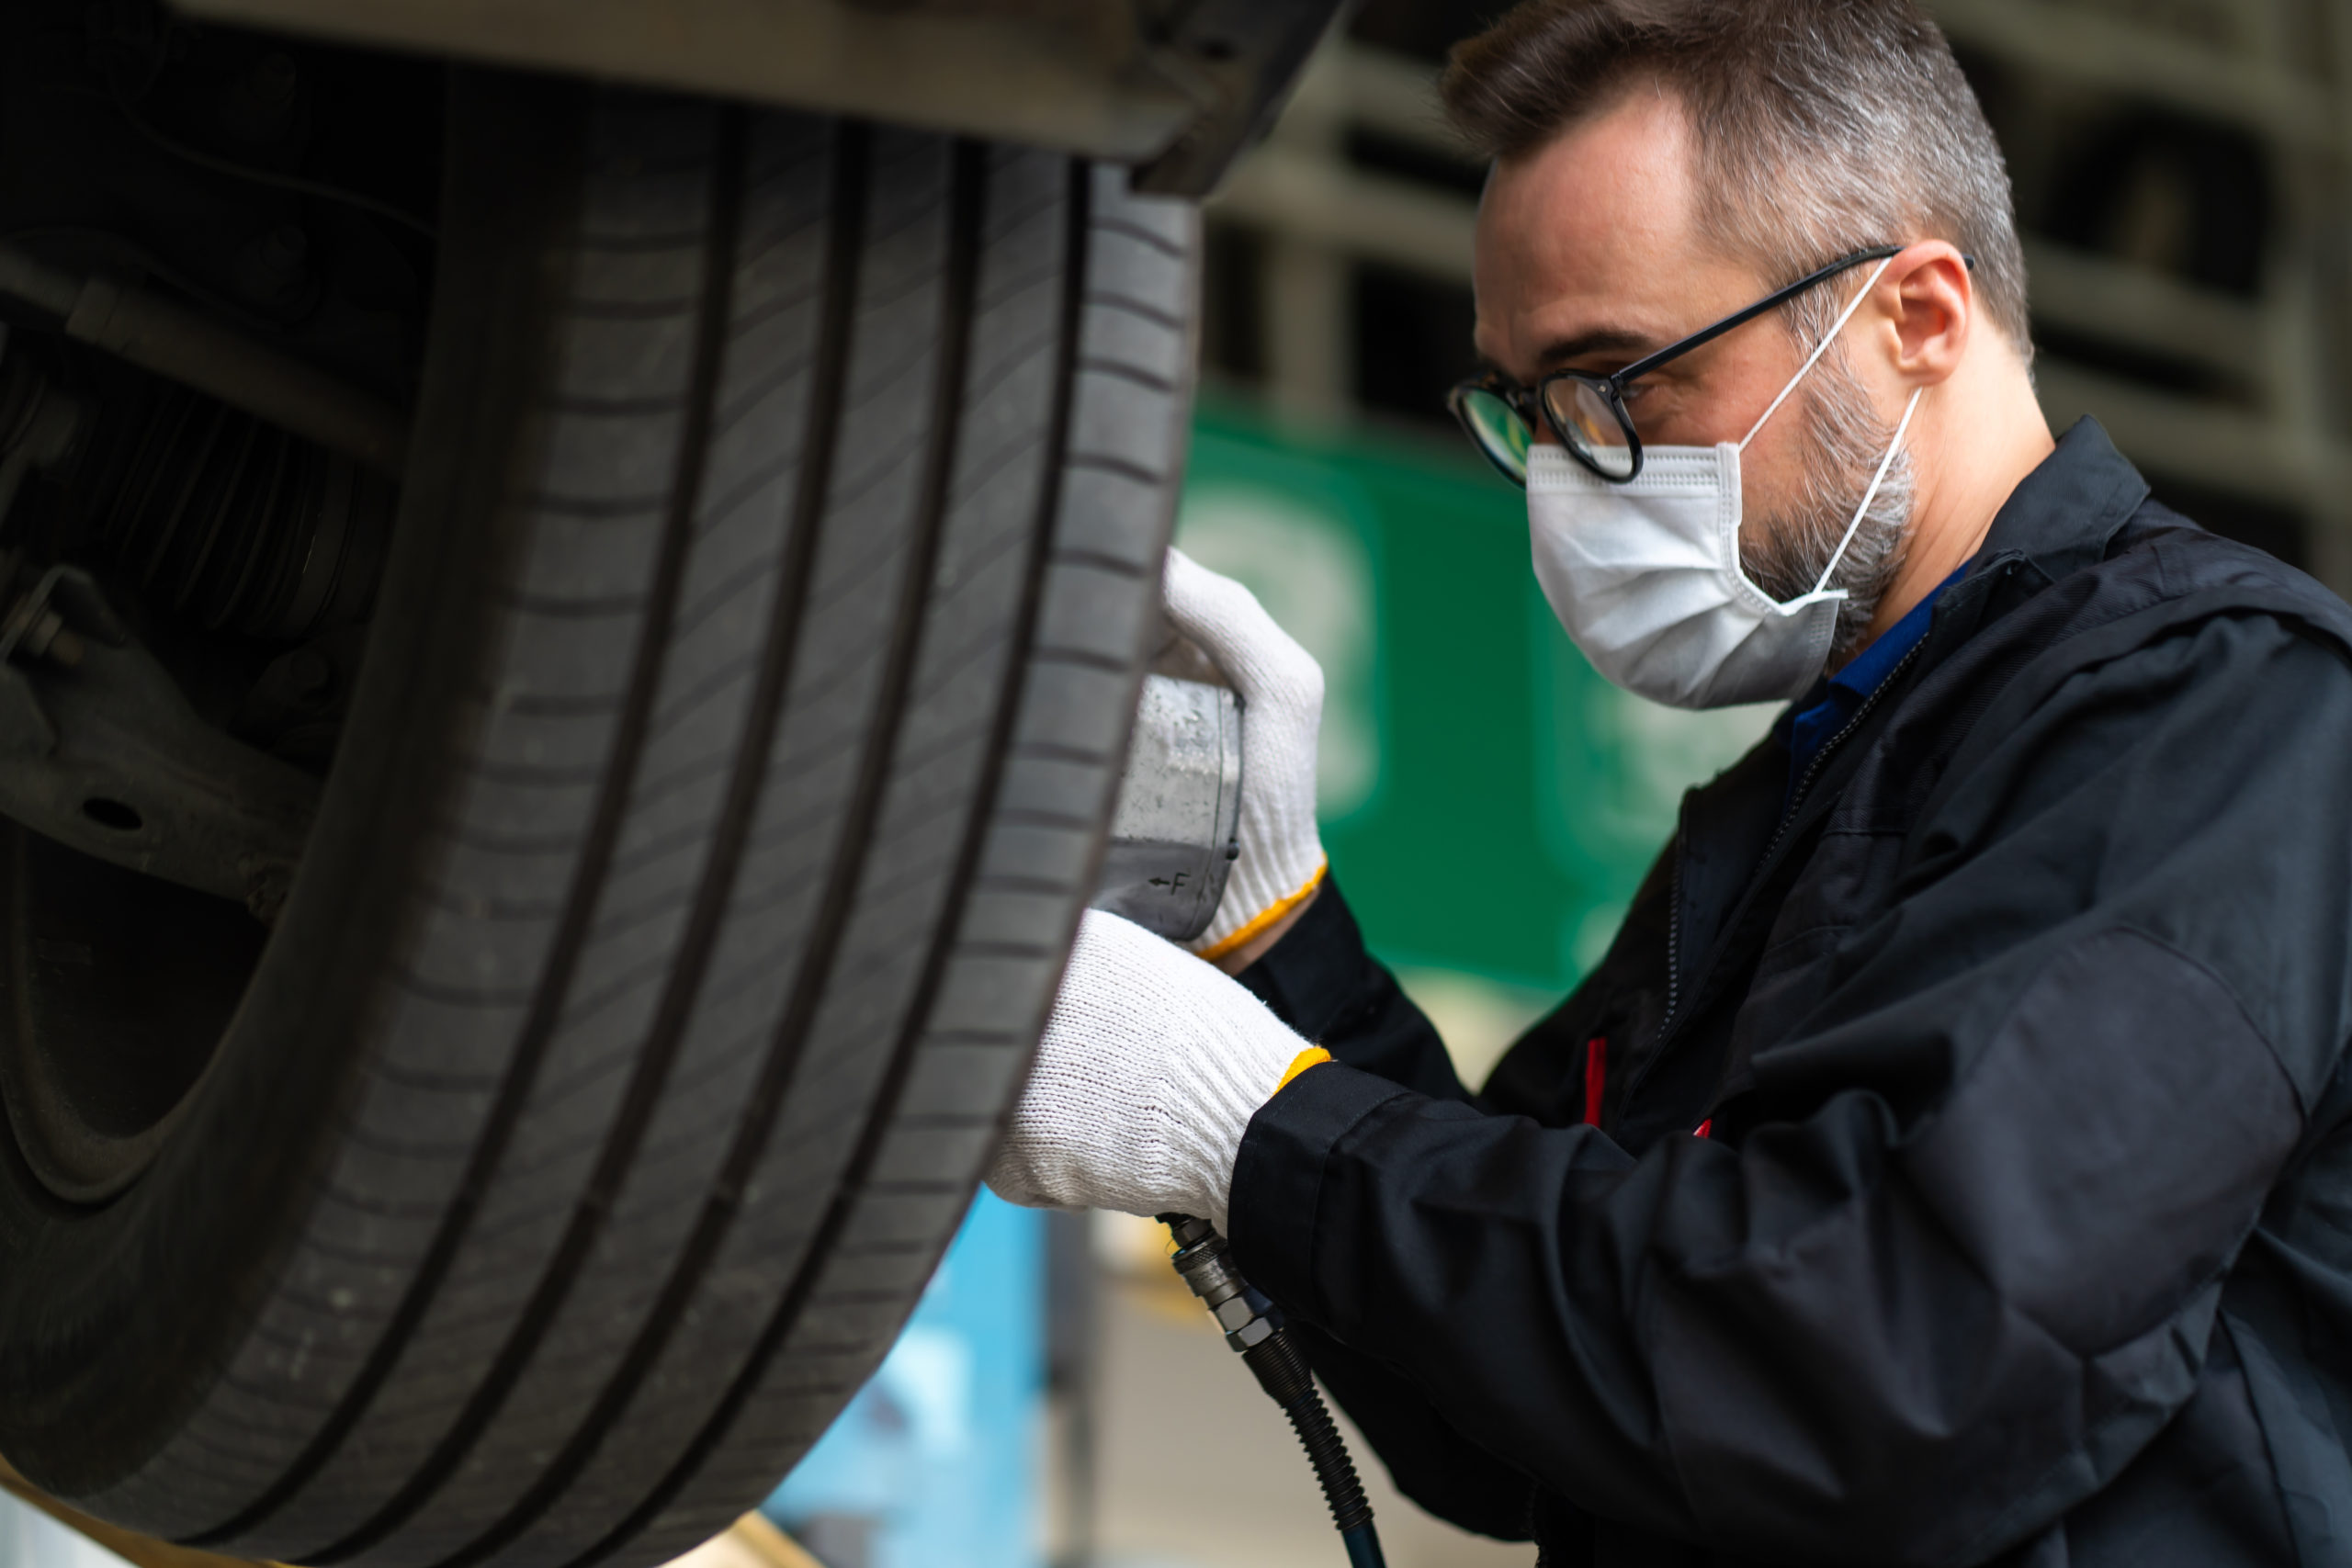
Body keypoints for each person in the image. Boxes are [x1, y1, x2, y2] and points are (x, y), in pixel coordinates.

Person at [988, 1, 2352, 1562]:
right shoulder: (1812, 795)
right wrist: (1274, 935)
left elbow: (1883, 1364)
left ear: (1914, 315)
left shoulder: (2213, 712)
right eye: (1531, 413)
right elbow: (1517, 1394)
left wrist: (1242, 1125)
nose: (1568, 479)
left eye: (1620, 383)